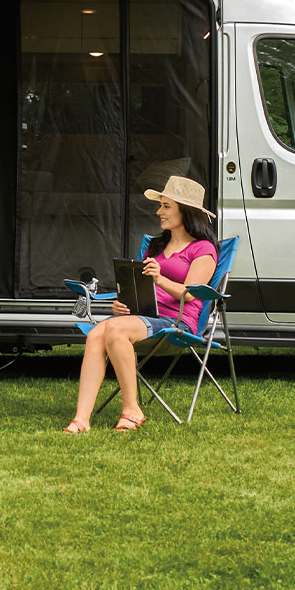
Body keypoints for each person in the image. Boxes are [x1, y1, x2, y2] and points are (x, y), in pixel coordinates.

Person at [64, 174, 218, 434]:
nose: (159, 212)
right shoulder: (156, 246)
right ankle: (81, 418)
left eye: (166, 206)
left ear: (187, 211)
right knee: (96, 335)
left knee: (114, 329)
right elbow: (139, 288)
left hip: (178, 323)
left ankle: (132, 409)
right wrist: (122, 305)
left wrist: (160, 278)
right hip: (143, 317)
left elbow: (191, 295)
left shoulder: (203, 249)